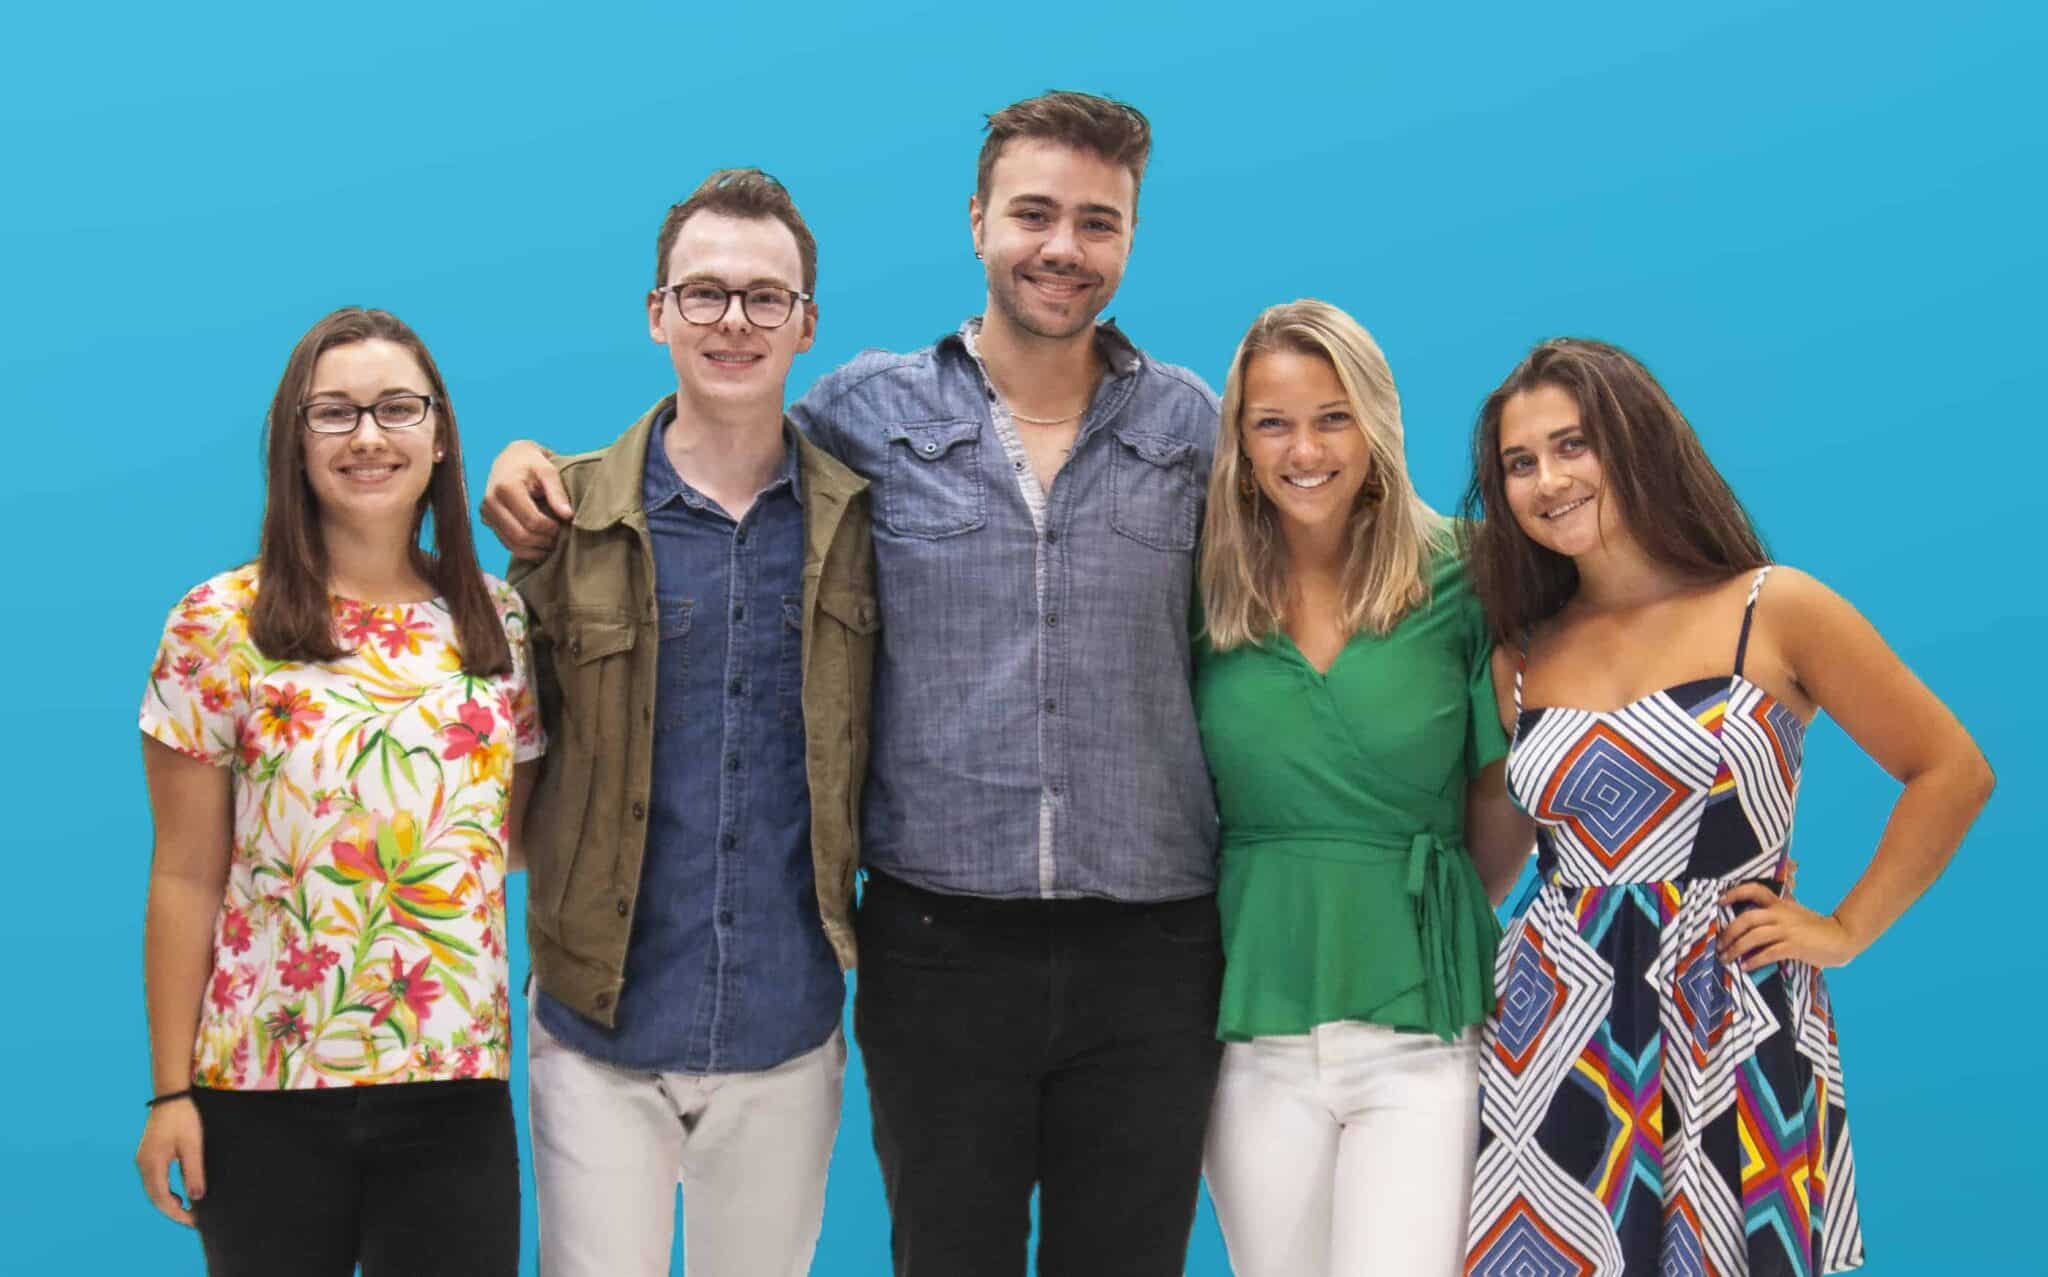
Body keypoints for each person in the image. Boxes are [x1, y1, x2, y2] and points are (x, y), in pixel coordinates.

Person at [482, 92, 1223, 1277]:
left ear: (1129, 236)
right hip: (936, 942)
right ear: (976, 220)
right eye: (1032, 212)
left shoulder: (1191, 427)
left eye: (1098, 221)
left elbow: (1316, 534)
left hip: (1153, 942)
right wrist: (529, 464)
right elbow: (700, 442)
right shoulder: (868, 416)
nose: (1060, 247)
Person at [1458, 338, 1994, 1275]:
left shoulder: (1773, 608)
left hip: (1730, 1010)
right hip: (1551, 1028)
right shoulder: (1521, 655)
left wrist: (1846, 927)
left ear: (1635, 441)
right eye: (1520, 462)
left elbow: (1949, 768)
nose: (1548, 479)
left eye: (1573, 444)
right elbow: (1491, 861)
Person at [504, 169, 876, 1277]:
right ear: (656, 310)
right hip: (596, 1031)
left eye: (765, 298)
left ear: (806, 325)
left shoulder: (862, 524)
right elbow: (499, 757)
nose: (732, 322)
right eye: (703, 293)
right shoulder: (561, 519)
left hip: (786, 1026)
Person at [134, 307, 544, 1276]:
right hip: (260, 1087)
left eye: (397, 408)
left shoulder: (501, 624)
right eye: (336, 412)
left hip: (453, 1086)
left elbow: (512, 841)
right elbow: (186, 874)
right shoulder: (217, 623)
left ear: (438, 434)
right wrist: (168, 1094)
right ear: (295, 438)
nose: (369, 435)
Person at [1193, 300, 1531, 1276]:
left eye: (1332, 415)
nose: (1305, 448)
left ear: (1376, 420)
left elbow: (1496, 796)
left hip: (1423, 1017)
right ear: (1241, 439)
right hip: (1248, 1012)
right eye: (1274, 421)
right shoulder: (1202, 591)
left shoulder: (1469, 575)